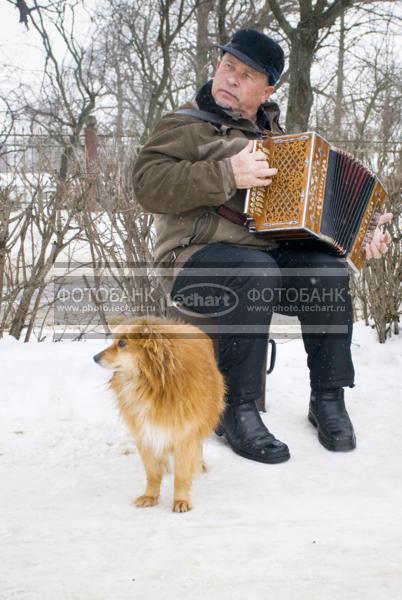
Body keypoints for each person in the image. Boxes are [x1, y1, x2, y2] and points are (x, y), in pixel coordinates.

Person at [132, 29, 392, 464]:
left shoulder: (281, 142)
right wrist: (225, 174)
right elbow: (146, 185)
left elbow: (303, 223)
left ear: (268, 88)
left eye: (246, 74)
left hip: (260, 257)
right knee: (255, 271)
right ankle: (237, 408)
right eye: (227, 66)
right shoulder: (184, 125)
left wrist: (360, 237)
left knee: (326, 272)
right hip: (193, 259)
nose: (230, 78)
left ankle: (327, 397)